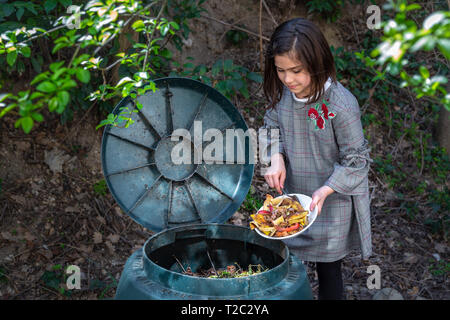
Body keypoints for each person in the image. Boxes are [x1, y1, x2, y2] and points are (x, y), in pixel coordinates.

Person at [259, 18, 372, 300]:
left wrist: (326, 189)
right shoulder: (285, 94)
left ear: (316, 62)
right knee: (285, 266)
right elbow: (269, 126)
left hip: (330, 202)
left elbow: (357, 161)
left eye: (296, 71)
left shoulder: (340, 105)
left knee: (329, 271)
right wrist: (275, 156)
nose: (288, 79)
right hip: (293, 196)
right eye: (281, 70)